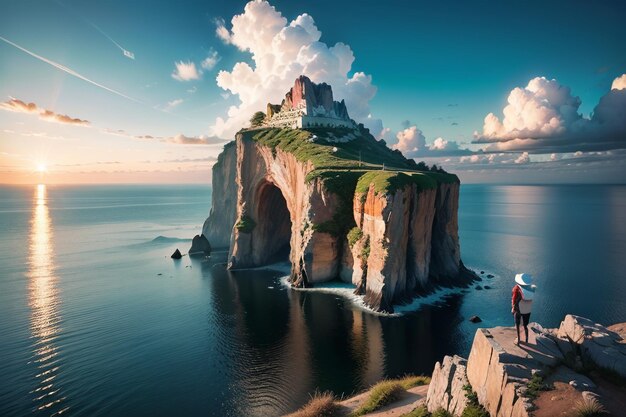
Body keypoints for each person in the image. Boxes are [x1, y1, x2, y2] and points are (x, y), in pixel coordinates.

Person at [511, 273, 537, 344]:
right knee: (525, 325)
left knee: (517, 324)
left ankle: (519, 340)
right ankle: (526, 339)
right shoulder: (532, 288)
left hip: (518, 309)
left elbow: (514, 299)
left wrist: (513, 308)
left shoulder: (516, 288)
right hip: (527, 310)